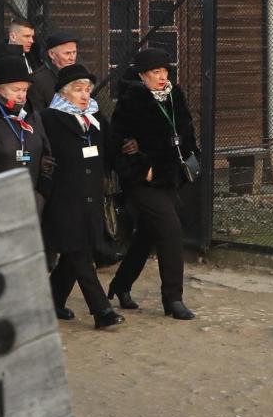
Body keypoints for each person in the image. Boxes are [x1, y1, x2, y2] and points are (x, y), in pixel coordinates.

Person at [107, 47, 198, 321]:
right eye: (155, 72)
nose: (162, 76)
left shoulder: (175, 96)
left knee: (147, 234)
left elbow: (188, 134)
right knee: (170, 230)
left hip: (170, 176)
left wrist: (182, 154)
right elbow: (116, 145)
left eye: (165, 71)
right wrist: (142, 168)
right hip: (143, 181)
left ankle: (120, 286)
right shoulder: (131, 101)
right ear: (142, 75)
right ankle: (173, 298)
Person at [40, 63, 124, 330]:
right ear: (64, 93)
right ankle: (102, 311)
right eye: (78, 89)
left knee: (76, 253)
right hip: (62, 198)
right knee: (79, 253)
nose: (85, 94)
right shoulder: (49, 118)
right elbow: (39, 150)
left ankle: (51, 300)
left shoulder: (96, 119)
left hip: (91, 197)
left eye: (88, 89)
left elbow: (109, 152)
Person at [0, 56, 49, 209]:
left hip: (29, 205)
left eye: (25, 90)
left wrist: (41, 194)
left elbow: (46, 153)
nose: (22, 95)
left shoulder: (32, 115)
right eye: (16, 90)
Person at [29, 31, 80, 114]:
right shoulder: (38, 81)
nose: (72, 58)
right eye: (67, 53)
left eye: (74, 52)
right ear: (52, 54)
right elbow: (37, 118)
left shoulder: (79, 75)